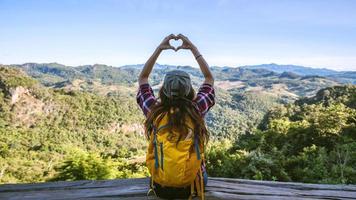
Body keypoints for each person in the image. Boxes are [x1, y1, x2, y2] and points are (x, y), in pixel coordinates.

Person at [136, 33, 215, 199]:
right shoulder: (196, 109)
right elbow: (209, 78)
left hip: (161, 184)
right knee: (202, 171)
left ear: (164, 90)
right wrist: (193, 49)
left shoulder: (154, 111)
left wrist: (159, 49)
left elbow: (143, 78)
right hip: (191, 185)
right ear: (189, 90)